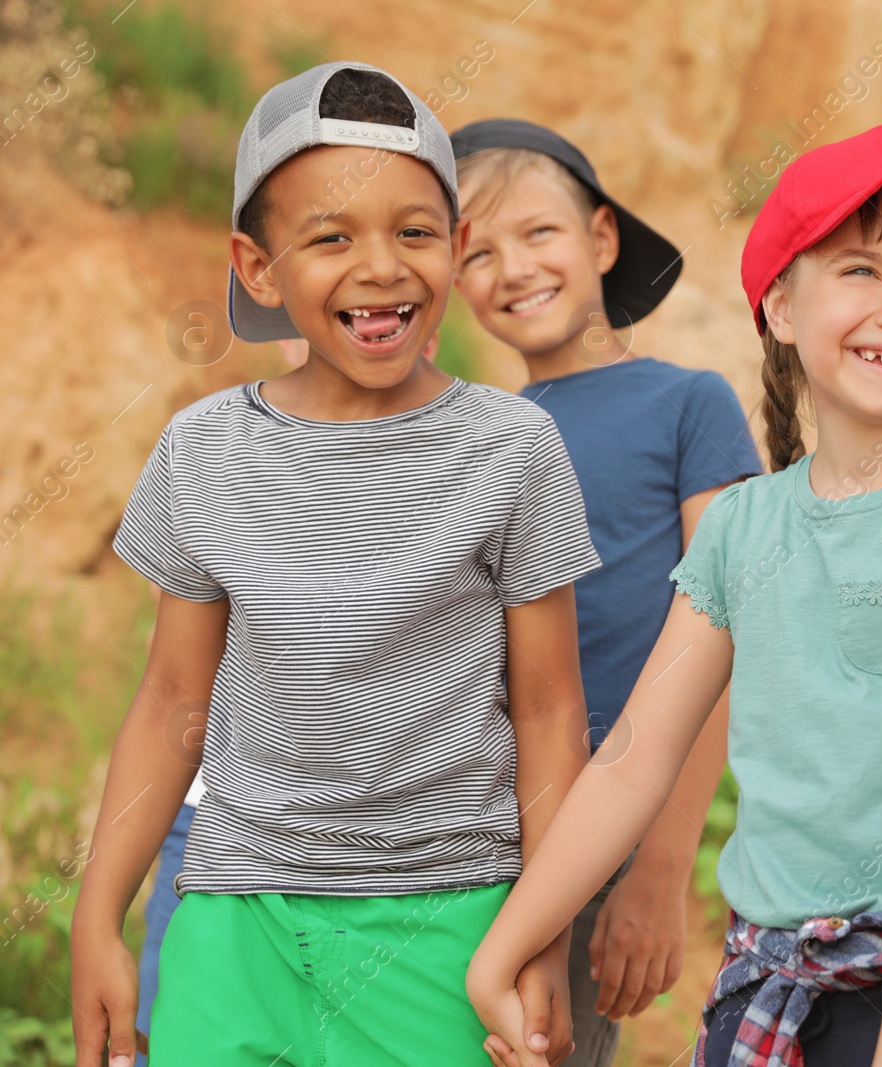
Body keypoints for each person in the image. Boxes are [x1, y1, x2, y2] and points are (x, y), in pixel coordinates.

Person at [468, 123, 882, 1067]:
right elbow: (630, 760)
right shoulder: (746, 527)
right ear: (782, 306)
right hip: (769, 985)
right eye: (862, 271)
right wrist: (501, 952)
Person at [70, 61, 599, 1066]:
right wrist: (98, 912)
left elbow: (548, 712)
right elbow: (173, 697)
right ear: (258, 266)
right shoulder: (201, 448)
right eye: (329, 237)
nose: (381, 266)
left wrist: (540, 932)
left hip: (449, 924)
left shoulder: (514, 449)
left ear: (456, 248)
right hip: (235, 918)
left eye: (414, 231)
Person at [449, 118, 765, 1067]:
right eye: (477, 252)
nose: (513, 268)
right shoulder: (479, 432)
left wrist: (662, 862)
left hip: (611, 825)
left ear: (600, 239)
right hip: (470, 826)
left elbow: (724, 629)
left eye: (540, 234)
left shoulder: (688, 403)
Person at [129, 335, 440, 1067]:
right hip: (219, 823)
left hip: (399, 854)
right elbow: (179, 671)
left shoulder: (471, 455)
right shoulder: (223, 448)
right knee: (169, 1028)